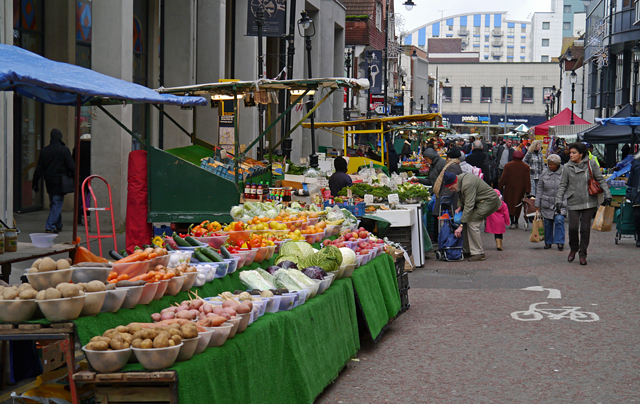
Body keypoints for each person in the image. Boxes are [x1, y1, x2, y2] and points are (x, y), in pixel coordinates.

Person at [556, 142, 611, 265]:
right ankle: (573, 249)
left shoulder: (591, 164)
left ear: (581, 154)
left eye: (574, 153)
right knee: (573, 227)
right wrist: (558, 200)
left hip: (588, 201)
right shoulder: (567, 167)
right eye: (570, 152)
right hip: (573, 200)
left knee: (585, 229)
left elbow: (600, 179)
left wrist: (608, 194)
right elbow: (563, 185)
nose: (571, 155)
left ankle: (582, 253)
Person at [445, 172, 501, 261]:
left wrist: (461, 225)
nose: (451, 190)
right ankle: (468, 250)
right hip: (480, 201)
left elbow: (469, 205)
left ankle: (478, 253)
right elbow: (461, 195)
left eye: (451, 188)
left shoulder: (467, 184)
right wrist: (459, 206)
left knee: (472, 223)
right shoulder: (459, 180)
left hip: (488, 202)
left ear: (454, 182)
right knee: (467, 220)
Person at [32, 129, 75, 233]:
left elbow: (39, 169)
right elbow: (71, 166)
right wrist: (77, 178)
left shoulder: (45, 151)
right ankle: (50, 226)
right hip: (61, 181)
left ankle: (58, 225)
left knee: (54, 203)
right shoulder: (64, 150)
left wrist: (35, 182)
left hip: (49, 181)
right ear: (60, 137)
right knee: (57, 203)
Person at [535, 154, 566, 250]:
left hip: (560, 202)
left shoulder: (565, 172)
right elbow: (539, 189)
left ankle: (560, 242)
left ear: (557, 164)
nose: (550, 166)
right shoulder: (544, 173)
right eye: (549, 164)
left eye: (552, 164)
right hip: (546, 202)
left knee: (559, 220)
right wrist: (537, 204)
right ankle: (548, 242)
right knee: (547, 223)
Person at [498, 150, 531, 229]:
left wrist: (500, 186)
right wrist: (527, 191)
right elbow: (527, 179)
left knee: (509, 204)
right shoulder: (526, 166)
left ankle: (512, 221)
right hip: (520, 189)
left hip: (509, 188)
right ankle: (516, 221)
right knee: (518, 205)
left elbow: (504, 177)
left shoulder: (508, 165)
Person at [625, 150, 640, 247]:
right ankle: (639, 237)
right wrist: (629, 193)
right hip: (638, 193)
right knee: (638, 216)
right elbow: (631, 180)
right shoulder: (636, 161)